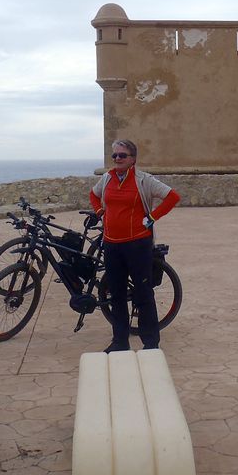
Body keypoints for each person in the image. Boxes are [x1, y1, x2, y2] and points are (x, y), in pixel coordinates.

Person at [90, 139, 180, 352]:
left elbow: (172, 197)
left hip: (137, 244)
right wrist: (100, 212)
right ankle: (120, 342)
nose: (117, 159)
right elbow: (93, 195)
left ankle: (151, 344)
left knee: (143, 293)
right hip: (111, 244)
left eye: (122, 155)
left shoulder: (143, 180)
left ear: (133, 159)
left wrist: (152, 217)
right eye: (114, 155)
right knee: (116, 295)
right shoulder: (107, 178)